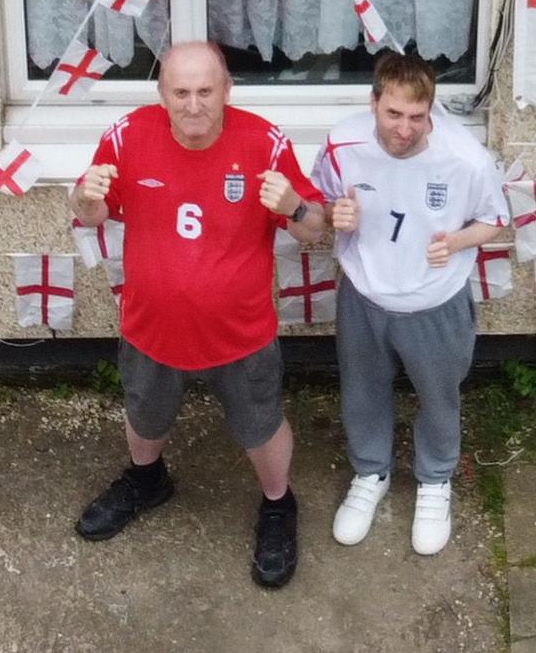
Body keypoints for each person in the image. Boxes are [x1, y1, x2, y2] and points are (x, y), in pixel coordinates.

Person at [73, 39, 328, 587]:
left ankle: (279, 504)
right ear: (162, 94)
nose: (193, 105)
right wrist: (83, 200)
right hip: (150, 326)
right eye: (180, 91)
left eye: (205, 91)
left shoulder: (263, 142)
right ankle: (146, 480)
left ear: (227, 90)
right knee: (144, 417)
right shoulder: (127, 135)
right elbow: (92, 212)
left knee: (260, 426)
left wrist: (297, 207)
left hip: (240, 333)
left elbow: (315, 227)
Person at [313, 52, 510, 555]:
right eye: (393, 114)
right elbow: (319, 203)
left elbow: (495, 218)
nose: (405, 129)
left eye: (417, 117)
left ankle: (435, 479)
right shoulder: (342, 142)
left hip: (434, 299)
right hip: (366, 292)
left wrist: (459, 241)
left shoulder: (466, 157)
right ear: (373, 102)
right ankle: (369, 472)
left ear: (432, 111)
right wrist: (335, 215)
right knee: (362, 389)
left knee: (439, 395)